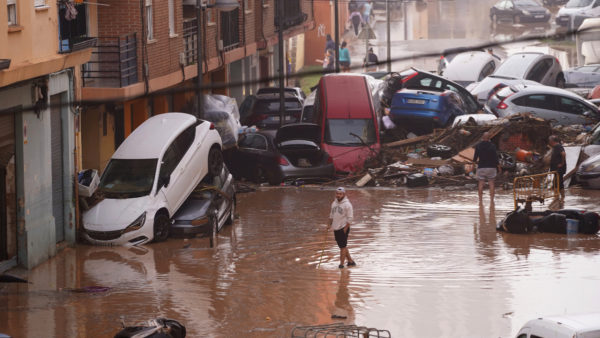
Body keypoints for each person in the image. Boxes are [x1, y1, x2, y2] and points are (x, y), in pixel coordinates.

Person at [328, 187, 356, 269]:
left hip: (343, 227)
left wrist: (345, 228)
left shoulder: (347, 204)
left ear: (344, 194)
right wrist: (329, 225)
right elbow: (331, 215)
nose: (338, 195)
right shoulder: (334, 203)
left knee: (343, 246)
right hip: (336, 228)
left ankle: (341, 264)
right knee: (342, 246)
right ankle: (351, 261)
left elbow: (350, 218)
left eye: (340, 194)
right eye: (337, 193)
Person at [473, 132, 501, 203]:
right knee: (491, 183)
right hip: (491, 167)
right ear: (489, 138)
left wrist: (473, 165)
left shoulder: (478, 146)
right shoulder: (492, 146)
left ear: (482, 137)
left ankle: (480, 201)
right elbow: (495, 157)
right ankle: (492, 200)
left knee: (481, 183)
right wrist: (499, 166)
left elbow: (475, 157)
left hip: (481, 167)